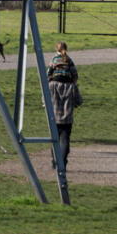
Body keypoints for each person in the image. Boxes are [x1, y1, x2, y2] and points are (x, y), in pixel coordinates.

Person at [47, 41, 81, 171]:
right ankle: (63, 163)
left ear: (56, 49)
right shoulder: (70, 61)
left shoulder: (53, 60)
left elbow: (47, 74)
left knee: (54, 136)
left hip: (54, 95)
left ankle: (54, 160)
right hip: (68, 95)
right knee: (65, 137)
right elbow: (75, 76)